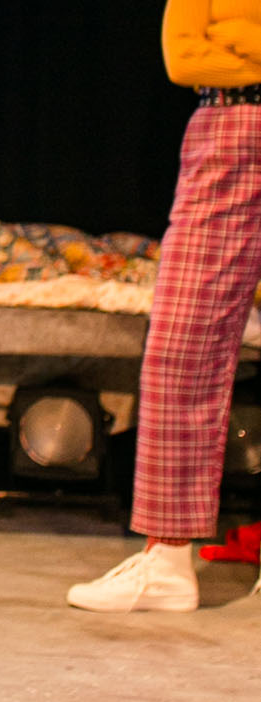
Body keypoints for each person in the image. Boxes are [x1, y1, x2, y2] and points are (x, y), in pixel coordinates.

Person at [67, 0, 261, 612]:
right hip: (229, 123)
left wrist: (237, 43)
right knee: (184, 342)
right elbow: (184, 56)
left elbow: (216, 48)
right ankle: (168, 561)